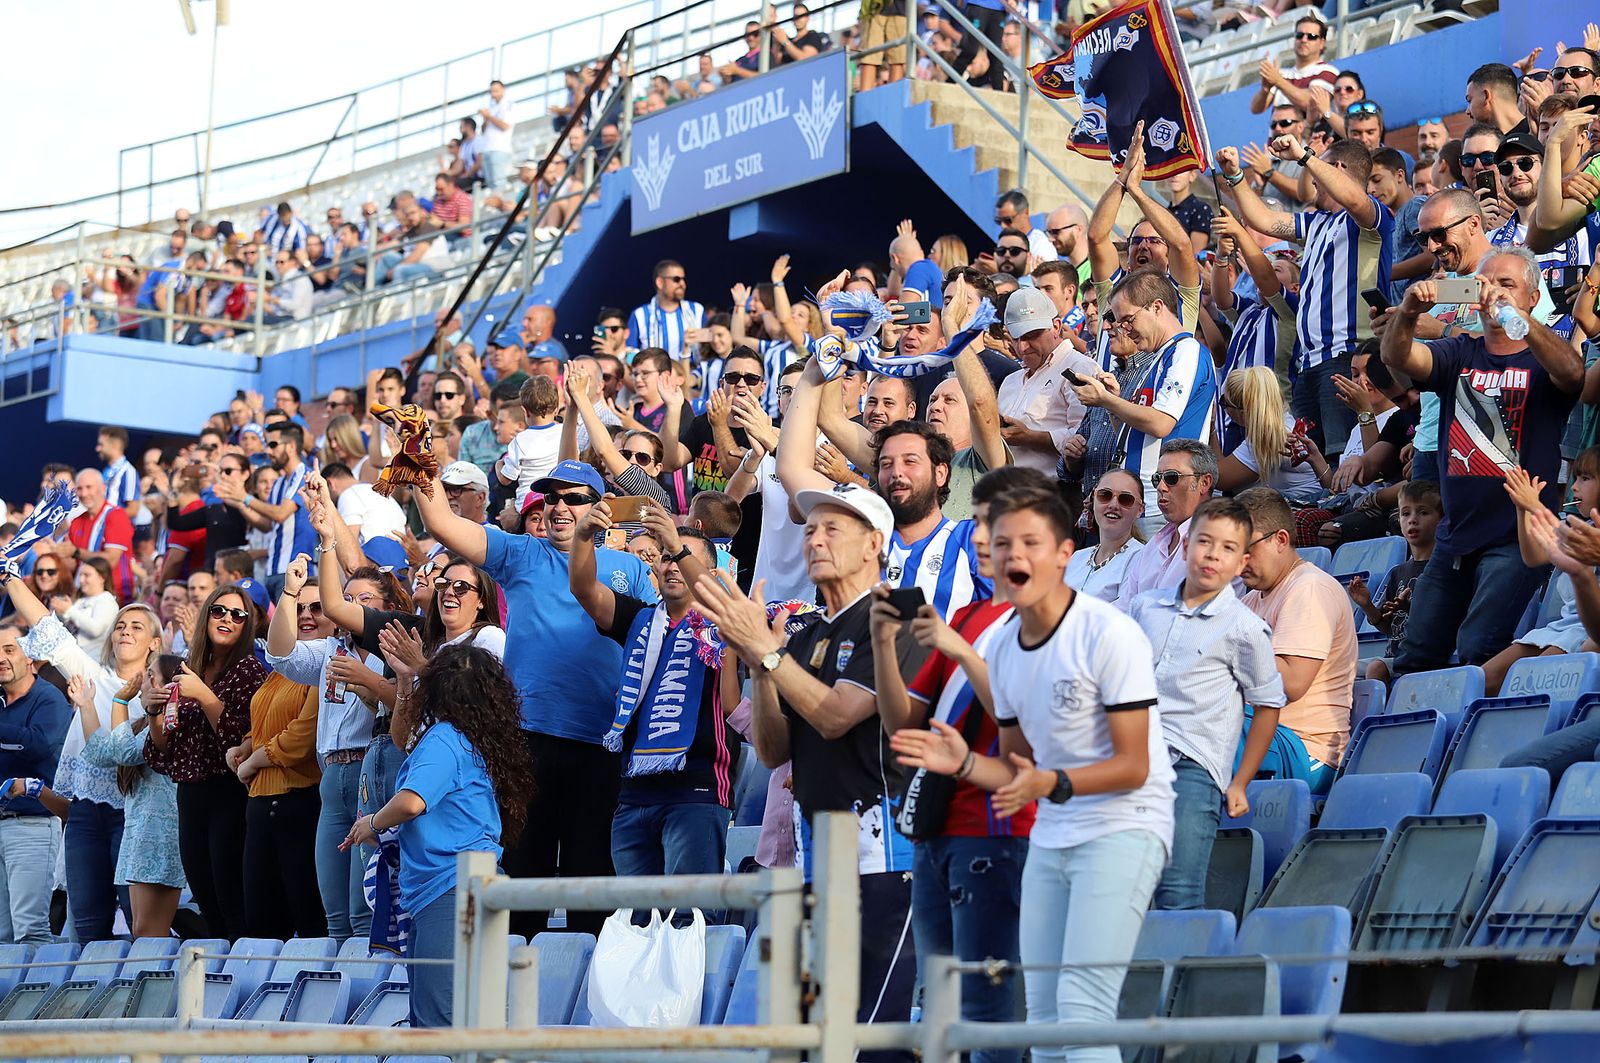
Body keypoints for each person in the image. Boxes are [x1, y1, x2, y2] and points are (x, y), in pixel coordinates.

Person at [889, 485, 1172, 1063]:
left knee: (1081, 1005)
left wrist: (1052, 784)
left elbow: (1133, 765)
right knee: (1040, 1015)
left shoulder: (1107, 633)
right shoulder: (1008, 651)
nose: (1013, 554)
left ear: (1065, 553)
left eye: (1029, 543)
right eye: (1001, 542)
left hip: (1125, 824)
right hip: (1053, 830)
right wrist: (964, 763)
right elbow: (1016, 765)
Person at [695, 482, 922, 1059]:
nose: (814, 539)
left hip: (882, 856)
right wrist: (760, 665)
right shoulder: (807, 634)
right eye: (809, 528)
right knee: (809, 1038)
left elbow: (839, 715)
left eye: (832, 528)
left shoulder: (900, 612)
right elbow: (773, 751)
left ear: (875, 543)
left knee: (870, 1037)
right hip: (815, 853)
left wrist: (767, 654)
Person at [412, 459, 655, 937]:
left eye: (573, 498)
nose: (560, 506)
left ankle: (587, 995)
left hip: (602, 742)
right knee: (524, 873)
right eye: (551, 498)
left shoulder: (629, 567)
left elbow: (655, 640)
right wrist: (421, 467)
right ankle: (508, 998)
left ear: (599, 508)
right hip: (526, 741)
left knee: (592, 878)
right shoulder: (522, 552)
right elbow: (441, 522)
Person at [870, 465, 1044, 1063]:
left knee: (988, 1005)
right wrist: (882, 645)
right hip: (936, 827)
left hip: (995, 832)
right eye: (974, 522)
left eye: (988, 524)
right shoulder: (967, 618)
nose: (976, 536)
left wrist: (960, 652)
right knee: (939, 999)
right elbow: (901, 726)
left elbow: (1020, 719)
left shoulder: (1044, 619)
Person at [1382, 251, 1584, 674]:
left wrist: (1517, 321)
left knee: (1479, 651)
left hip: (1517, 539)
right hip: (1454, 538)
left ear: (1532, 296)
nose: (1494, 292)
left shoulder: (1542, 355)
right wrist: (1406, 313)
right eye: (1485, 284)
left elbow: (1573, 373)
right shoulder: (1461, 351)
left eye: (1507, 284)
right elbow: (1399, 359)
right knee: (1413, 658)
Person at [342, 643, 534, 1028]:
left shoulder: (446, 738)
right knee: (460, 1018)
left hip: (448, 888)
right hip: (462, 886)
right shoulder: (469, 738)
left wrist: (374, 822)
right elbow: (403, 738)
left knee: (437, 1023)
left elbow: (412, 802)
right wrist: (405, 679)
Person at [1127, 498, 1286, 910]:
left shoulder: (1246, 629)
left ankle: (1179, 972)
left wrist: (1240, 781)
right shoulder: (1145, 608)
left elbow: (1268, 705)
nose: (1213, 555)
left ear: (1241, 562)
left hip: (1193, 770)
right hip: (1131, 763)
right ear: (1185, 547)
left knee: (1178, 892)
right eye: (1204, 542)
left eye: (1228, 548)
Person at [570, 501, 742, 878]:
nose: (671, 564)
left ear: (709, 573)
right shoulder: (640, 618)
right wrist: (583, 536)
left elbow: (717, 599)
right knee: (636, 926)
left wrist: (675, 544)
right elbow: (585, 590)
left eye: (681, 557)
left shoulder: (726, 622)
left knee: (688, 920)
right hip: (634, 794)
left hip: (696, 791)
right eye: (665, 557)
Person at [7, 571, 163, 943]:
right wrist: (8, 576)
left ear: (155, 642)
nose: (125, 631)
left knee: (141, 925)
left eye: (137, 627)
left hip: (135, 816)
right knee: (89, 926)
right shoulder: (91, 676)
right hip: (85, 817)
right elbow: (47, 626)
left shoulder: (164, 689)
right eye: (120, 625)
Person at [1216, 136, 1394, 460]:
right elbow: (1264, 220)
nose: (1310, 176)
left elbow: (1354, 200)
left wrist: (1305, 155)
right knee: (1313, 457)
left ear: (1336, 168)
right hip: (1308, 362)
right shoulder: (1316, 222)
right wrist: (1236, 178)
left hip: (1345, 354)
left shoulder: (1370, 215)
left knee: (1345, 455)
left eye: (1318, 167)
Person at [1073, 271, 1217, 532]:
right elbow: (1131, 436)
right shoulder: (1158, 358)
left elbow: (1161, 424)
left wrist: (1105, 399)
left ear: (1157, 307)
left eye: (1128, 320)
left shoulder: (1186, 350)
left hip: (1158, 509)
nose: (1123, 329)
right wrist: (1112, 402)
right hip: (1139, 505)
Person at [1236, 488, 1357, 795]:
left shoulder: (1310, 588)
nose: (1239, 562)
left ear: (1280, 540)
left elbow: (1290, 684)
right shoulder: (1250, 600)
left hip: (1304, 748)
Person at [229, 591, 326, 941]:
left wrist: (254, 759)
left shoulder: (325, 666)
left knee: (310, 918)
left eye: (317, 607)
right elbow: (267, 722)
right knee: (261, 924)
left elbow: (302, 736)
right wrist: (244, 746)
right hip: (259, 804)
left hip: (299, 802)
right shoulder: (281, 669)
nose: (306, 616)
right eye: (299, 608)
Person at [77, 653, 185, 939]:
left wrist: (120, 701)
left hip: (161, 835)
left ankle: (169, 982)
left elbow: (124, 752)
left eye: (152, 674)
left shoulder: (173, 721)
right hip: (138, 835)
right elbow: (104, 753)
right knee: (141, 931)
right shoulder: (145, 725)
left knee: (151, 933)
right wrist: (86, 704)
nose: (145, 680)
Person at [0, 618, 72, 944]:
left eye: (9, 649)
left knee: (30, 930)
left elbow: (37, 744)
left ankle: (39, 995)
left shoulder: (50, 698)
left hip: (33, 824)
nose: (1, 658)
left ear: (30, 656)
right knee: (1, 934)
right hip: (3, 821)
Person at [997, 286, 1101, 475]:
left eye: (1031, 336)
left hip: (1055, 494)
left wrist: (1030, 437)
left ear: (1056, 327)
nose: (1022, 347)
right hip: (1008, 493)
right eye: (1016, 338)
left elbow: (1087, 438)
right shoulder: (1010, 381)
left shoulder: (1080, 367)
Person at [1349, 479, 1441, 684]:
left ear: (1441, 520)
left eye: (1423, 512)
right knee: (1338, 668)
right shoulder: (1398, 572)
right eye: (1405, 513)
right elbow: (1386, 626)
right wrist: (1367, 605)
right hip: (1394, 657)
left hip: (1423, 659)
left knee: (1376, 667)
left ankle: (1379, 713)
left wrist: (1412, 606)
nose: (1413, 520)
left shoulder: (1443, 570)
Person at [1217, 367, 1326, 503]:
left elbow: (1219, 479)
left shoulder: (1267, 436)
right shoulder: (1284, 422)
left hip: (1303, 507)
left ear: (1243, 412)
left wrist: (1211, 431)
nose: (1224, 409)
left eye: (1224, 403)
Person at [1065, 468, 1145, 604]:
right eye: (1105, 495)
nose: (1113, 505)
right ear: (1093, 499)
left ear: (1140, 510)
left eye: (1126, 499)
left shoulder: (1141, 558)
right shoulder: (1077, 557)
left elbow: (1123, 614)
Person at [61, 467, 135, 602]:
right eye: (79, 488)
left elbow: (110, 560)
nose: (84, 493)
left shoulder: (116, 515)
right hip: (83, 597)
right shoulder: (76, 521)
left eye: (89, 487)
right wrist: (56, 553)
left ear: (102, 488)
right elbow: (72, 565)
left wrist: (76, 552)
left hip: (114, 596)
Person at [1250, 13, 1338, 115]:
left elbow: (1311, 104)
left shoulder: (1327, 71)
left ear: (1322, 43)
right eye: (1299, 36)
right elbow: (1255, 109)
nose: (1304, 40)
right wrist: (1265, 90)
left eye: (1311, 36)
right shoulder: (1282, 74)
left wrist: (1278, 81)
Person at [497, 376, 563, 509]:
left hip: (527, 505)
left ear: (525, 411)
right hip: (557, 502)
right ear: (556, 408)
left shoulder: (520, 441)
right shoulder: (566, 433)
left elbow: (506, 479)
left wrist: (498, 465)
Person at [628, 260, 706, 361]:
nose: (683, 284)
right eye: (676, 279)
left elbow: (708, 350)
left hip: (691, 375)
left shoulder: (697, 310)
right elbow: (630, 353)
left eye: (683, 279)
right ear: (660, 282)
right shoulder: (640, 315)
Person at [59, 557, 119, 659]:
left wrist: (70, 610)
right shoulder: (81, 600)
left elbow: (96, 629)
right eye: (80, 575)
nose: (81, 580)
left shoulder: (107, 601)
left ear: (102, 578)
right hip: (72, 657)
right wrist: (61, 612)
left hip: (93, 660)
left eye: (87, 575)